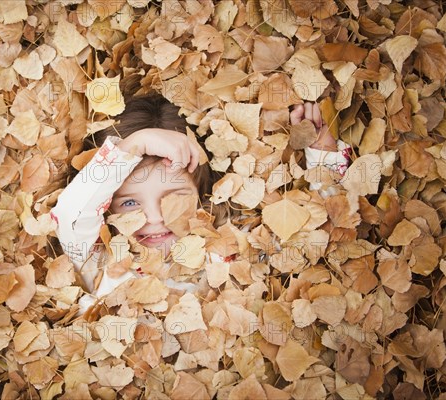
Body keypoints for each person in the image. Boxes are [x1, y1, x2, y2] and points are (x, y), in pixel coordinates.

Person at [50, 94, 350, 315]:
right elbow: (69, 216)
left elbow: (309, 240)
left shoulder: (230, 251)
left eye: (174, 197)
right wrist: (133, 146)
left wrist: (323, 153)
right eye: (129, 202)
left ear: (202, 192)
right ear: (106, 207)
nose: (154, 217)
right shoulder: (99, 263)